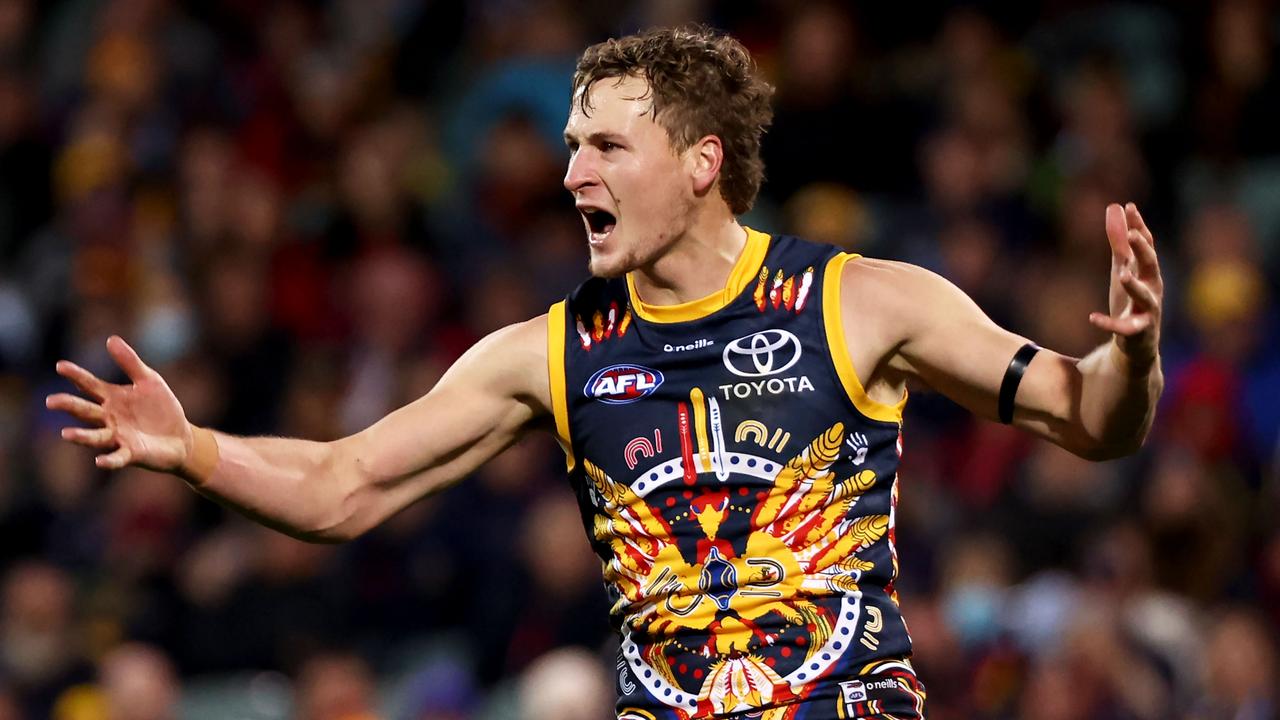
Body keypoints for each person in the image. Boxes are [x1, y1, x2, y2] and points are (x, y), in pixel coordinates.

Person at [46, 25, 1163, 720]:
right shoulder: (546, 351)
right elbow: (343, 487)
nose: (570, 167)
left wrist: (1132, 354)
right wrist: (190, 450)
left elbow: (1091, 422)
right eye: (571, 144)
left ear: (699, 164)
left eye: (604, 147)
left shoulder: (863, 300)